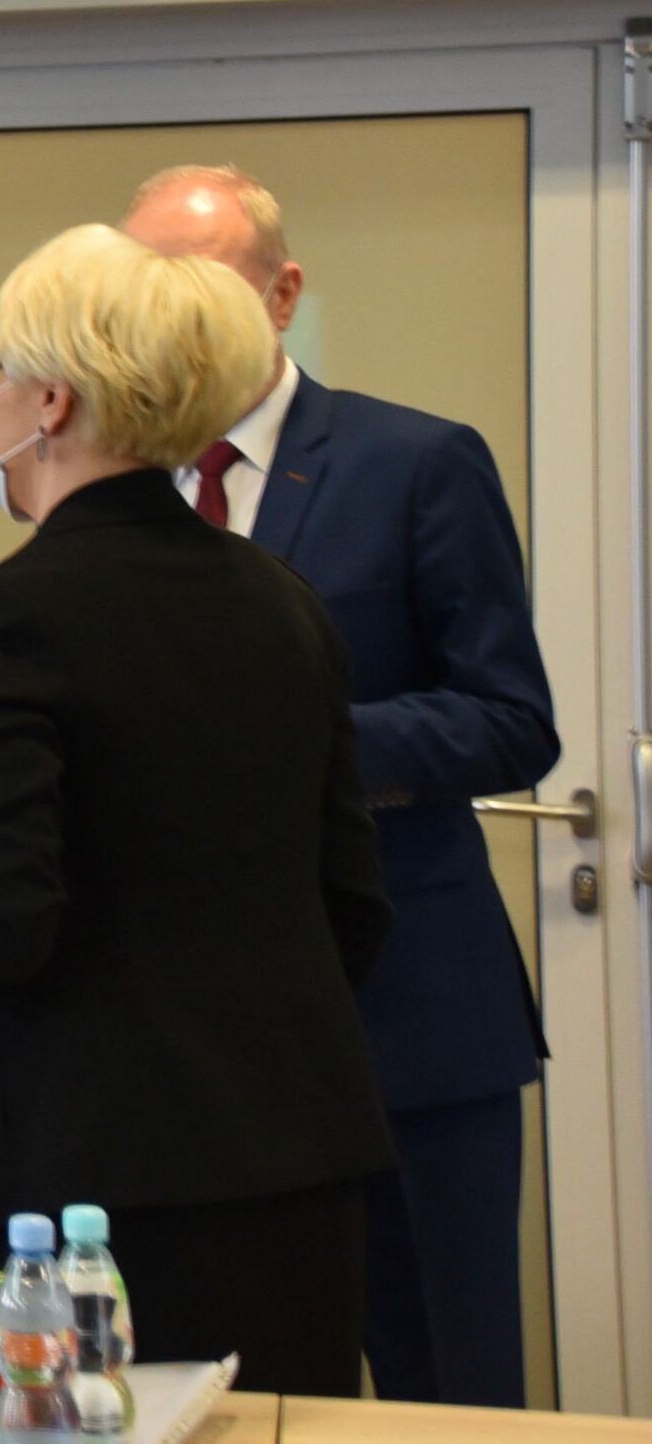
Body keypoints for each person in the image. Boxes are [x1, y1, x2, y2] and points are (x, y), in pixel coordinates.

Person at [0, 223, 395, 1397]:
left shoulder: (8, 613)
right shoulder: (284, 599)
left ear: (48, 400)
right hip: (298, 1159)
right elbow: (350, 906)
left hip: (100, 1189)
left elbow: (6, 923)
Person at [122, 165, 557, 1408]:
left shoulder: (414, 461)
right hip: (200, 1046)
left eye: (204, 284)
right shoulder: (116, 484)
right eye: (147, 289)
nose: (173, 318)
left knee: (448, 1391)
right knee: (232, 1394)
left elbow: (510, 722)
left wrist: (298, 749)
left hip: (408, 1022)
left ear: (282, 293)